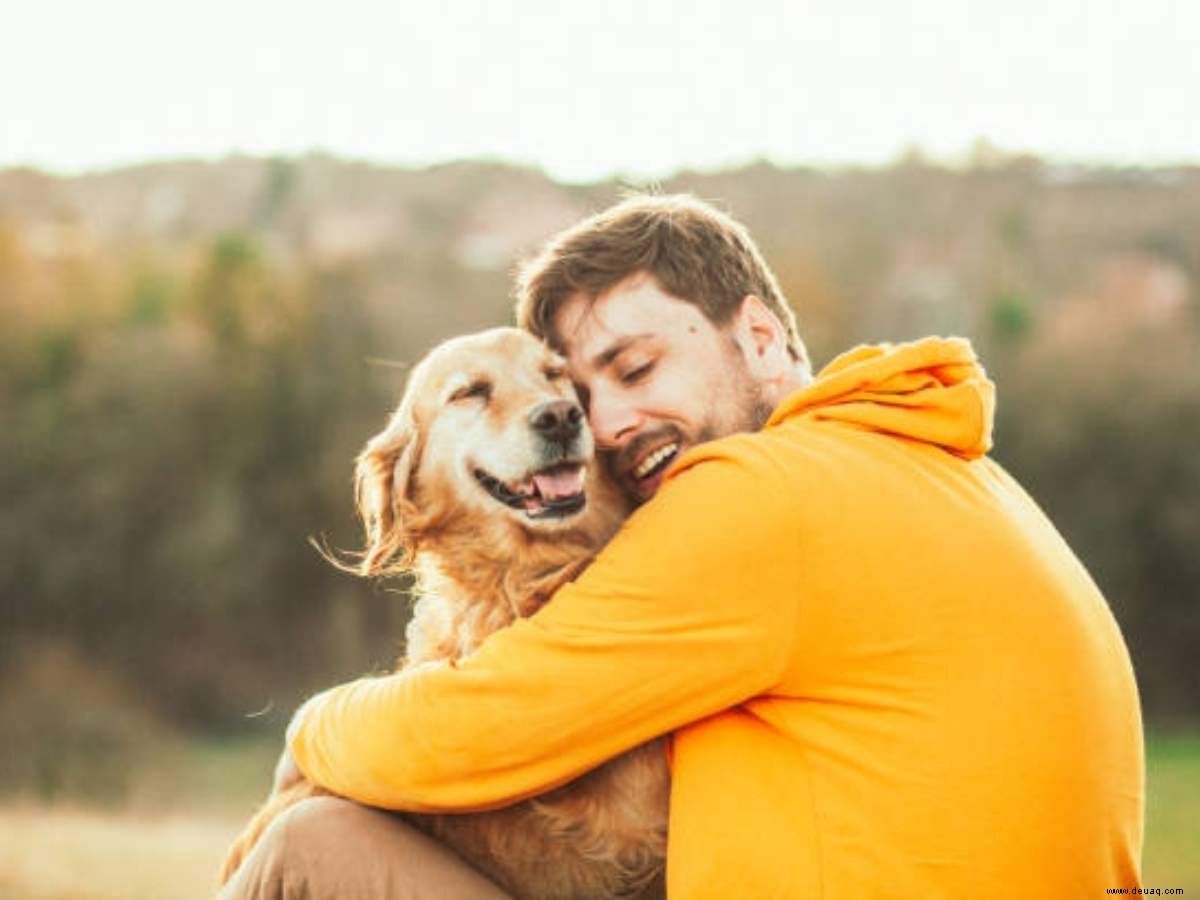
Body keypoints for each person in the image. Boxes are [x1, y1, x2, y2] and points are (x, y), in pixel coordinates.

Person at [225, 195, 1144, 898]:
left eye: (636, 368)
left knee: (306, 847)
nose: (606, 423)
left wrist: (311, 730)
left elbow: (476, 731)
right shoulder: (937, 465)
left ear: (759, 334)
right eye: (586, 393)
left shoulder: (759, 493)